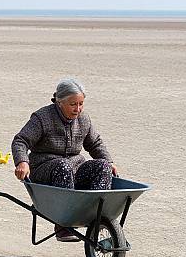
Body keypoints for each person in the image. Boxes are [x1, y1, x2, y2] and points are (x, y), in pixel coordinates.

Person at [11, 78, 117, 242]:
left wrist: (108, 161)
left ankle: (95, 216)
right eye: (73, 104)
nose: (78, 109)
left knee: (102, 166)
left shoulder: (84, 120)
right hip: (45, 169)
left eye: (81, 104)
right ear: (59, 102)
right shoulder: (42, 118)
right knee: (63, 165)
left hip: (73, 168)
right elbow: (21, 141)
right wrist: (22, 162)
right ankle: (63, 224)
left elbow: (95, 143)